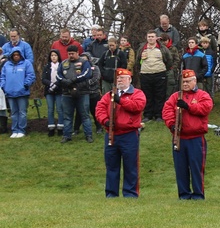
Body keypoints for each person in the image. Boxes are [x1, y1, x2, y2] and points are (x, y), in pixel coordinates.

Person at [162, 69, 214, 200]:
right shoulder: (175, 96)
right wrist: (172, 124)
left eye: (187, 81)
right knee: (181, 168)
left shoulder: (202, 95)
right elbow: (167, 111)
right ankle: (184, 194)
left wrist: (188, 107)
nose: (185, 84)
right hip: (179, 137)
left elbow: (206, 108)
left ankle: (198, 194)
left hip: (196, 138)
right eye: (183, 82)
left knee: (196, 168)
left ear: (194, 81)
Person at [95, 68, 146, 198]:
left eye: (122, 78)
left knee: (130, 165)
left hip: (129, 134)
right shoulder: (109, 95)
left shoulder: (137, 93)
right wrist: (105, 121)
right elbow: (100, 109)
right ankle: (111, 193)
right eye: (118, 78)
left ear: (129, 80)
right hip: (112, 133)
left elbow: (137, 107)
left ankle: (130, 193)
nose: (119, 80)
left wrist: (120, 101)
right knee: (111, 165)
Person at [56, 45, 94, 143]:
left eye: (73, 53)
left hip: (82, 92)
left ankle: (88, 135)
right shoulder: (63, 63)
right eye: (69, 54)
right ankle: (66, 135)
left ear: (77, 53)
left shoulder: (84, 63)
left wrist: (74, 80)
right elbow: (58, 75)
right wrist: (65, 81)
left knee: (85, 115)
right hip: (67, 93)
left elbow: (87, 74)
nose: (71, 56)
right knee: (67, 115)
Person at [136, 31, 172, 121]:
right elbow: (137, 61)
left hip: (160, 73)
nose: (150, 38)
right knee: (147, 95)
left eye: (152, 36)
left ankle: (159, 115)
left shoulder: (162, 48)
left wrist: (162, 69)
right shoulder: (142, 48)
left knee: (160, 95)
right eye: (149, 36)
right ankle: (148, 115)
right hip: (145, 74)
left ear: (156, 38)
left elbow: (169, 60)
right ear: (146, 38)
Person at [0, 49, 34, 138]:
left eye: (17, 55)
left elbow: (31, 75)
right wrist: (3, 86)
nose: (16, 56)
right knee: (13, 113)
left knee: (22, 112)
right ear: (11, 55)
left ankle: (21, 130)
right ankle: (14, 130)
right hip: (10, 92)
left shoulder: (26, 63)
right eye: (14, 55)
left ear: (20, 55)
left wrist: (26, 84)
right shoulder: (7, 64)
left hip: (22, 92)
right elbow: (2, 76)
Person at [42, 49, 63, 136]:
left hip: (59, 90)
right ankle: (51, 127)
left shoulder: (61, 66)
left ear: (58, 56)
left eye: (55, 55)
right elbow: (43, 79)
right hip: (49, 91)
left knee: (59, 109)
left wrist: (56, 85)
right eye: (52, 55)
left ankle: (60, 127)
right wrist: (50, 84)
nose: (53, 57)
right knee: (50, 109)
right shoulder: (47, 67)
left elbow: (62, 77)